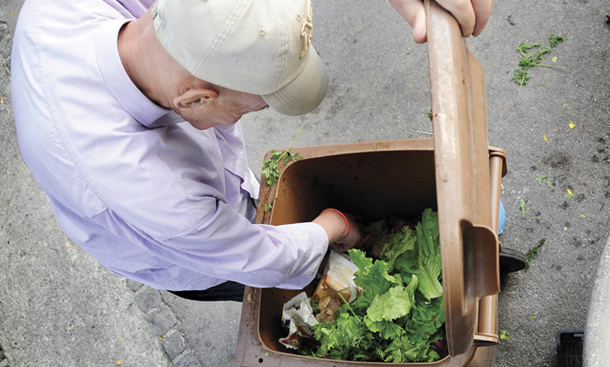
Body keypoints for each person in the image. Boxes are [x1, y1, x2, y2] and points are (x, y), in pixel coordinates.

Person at [10, 0, 493, 302]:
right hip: (168, 249)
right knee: (264, 287)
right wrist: (334, 227)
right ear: (195, 99)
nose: (246, 117)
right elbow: (258, 258)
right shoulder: (160, 197)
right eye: (248, 109)